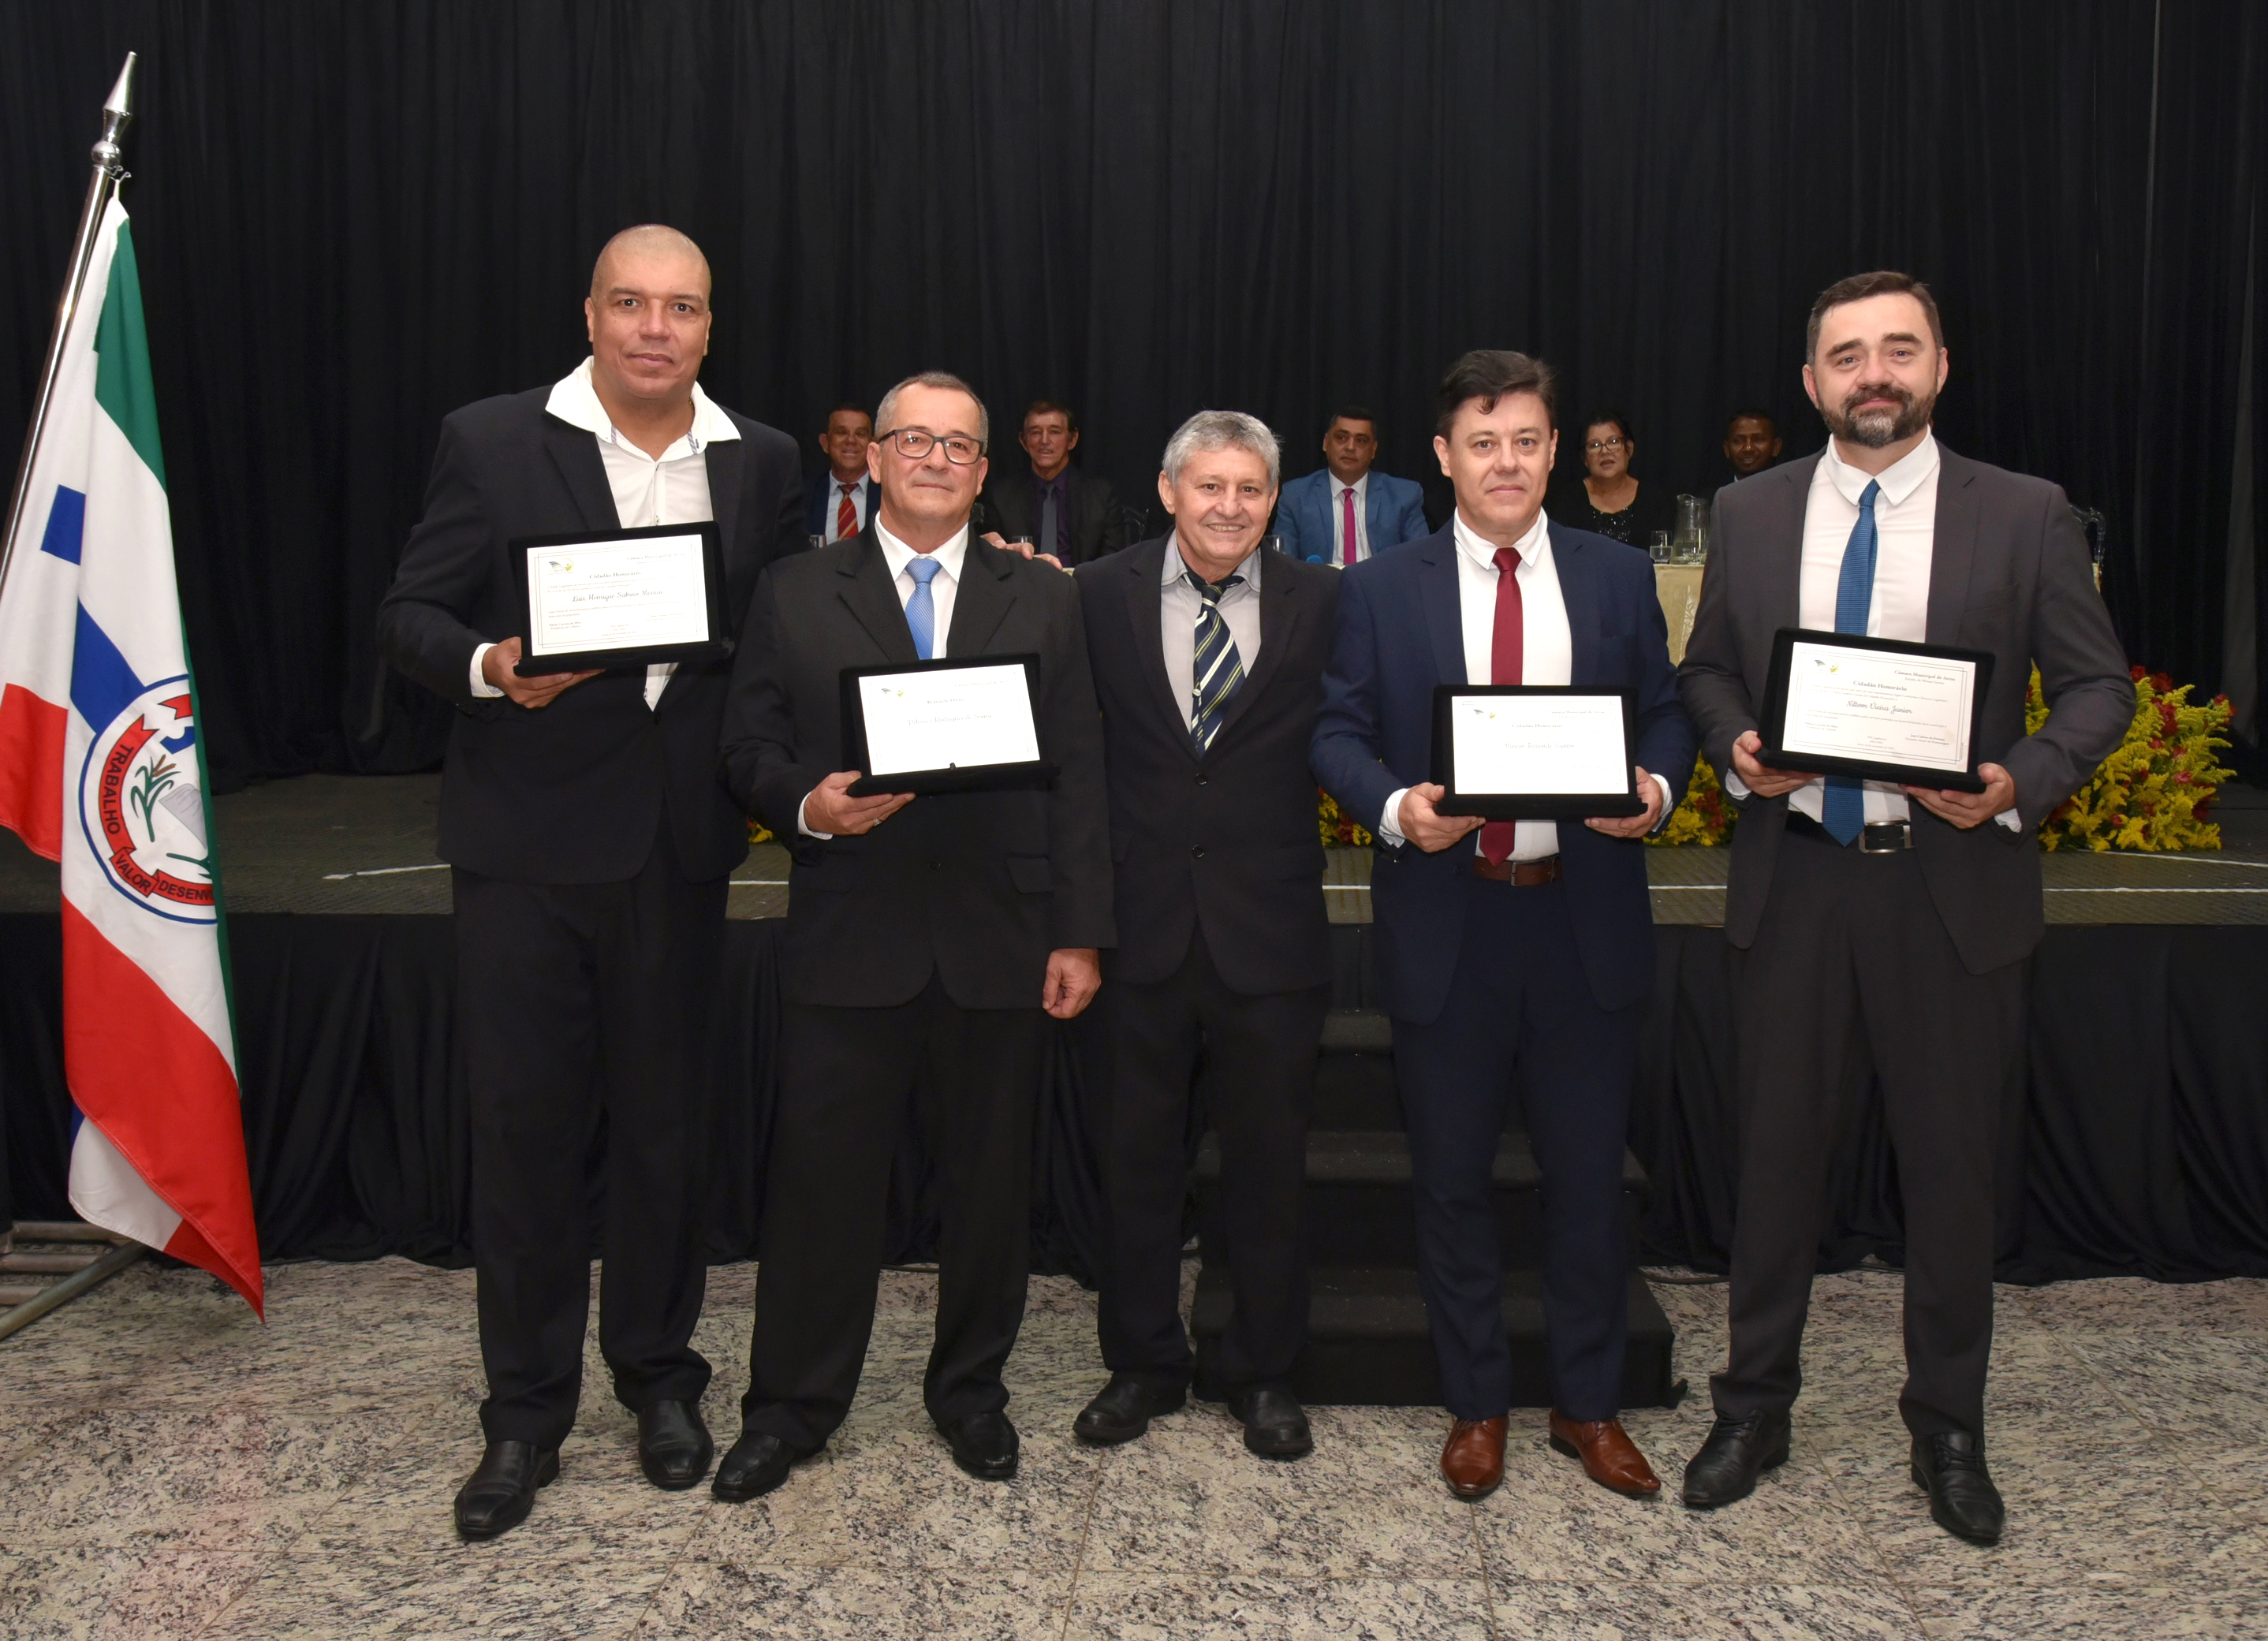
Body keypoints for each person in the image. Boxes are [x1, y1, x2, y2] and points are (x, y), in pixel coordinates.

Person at [1677, 271, 2131, 1544]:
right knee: (1774, 1168)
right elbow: (1706, 669)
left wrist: (2018, 781)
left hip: (1951, 892)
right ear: (1811, 381)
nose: (1872, 374)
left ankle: (1948, 1428)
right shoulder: (1752, 509)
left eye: (1897, 350)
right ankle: (1753, 1407)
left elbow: (2097, 690)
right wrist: (1738, 747)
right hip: (1800, 880)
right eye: (1846, 355)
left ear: (1938, 365)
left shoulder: (2027, 512)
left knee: (1952, 1178)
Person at [375, 225, 804, 1540]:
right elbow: (409, 614)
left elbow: (786, 633)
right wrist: (490, 667)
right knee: (527, 1137)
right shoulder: (493, 438)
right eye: (631, 303)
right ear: (591, 314)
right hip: (526, 849)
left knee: (667, 1134)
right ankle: (524, 1412)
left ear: (711, 326)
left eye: (682, 307)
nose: (655, 329)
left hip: (677, 848)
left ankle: (660, 1378)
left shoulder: (761, 458)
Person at [712, 371, 1112, 1501]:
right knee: (820, 1188)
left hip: (1002, 937)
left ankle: (971, 1393)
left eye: (959, 445)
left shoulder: (1045, 596)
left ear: (985, 473)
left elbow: (1082, 774)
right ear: (874, 457)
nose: (937, 459)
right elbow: (745, 745)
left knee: (990, 1188)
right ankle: (790, 1407)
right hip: (852, 932)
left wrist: (1080, 933)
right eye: (915, 440)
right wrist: (806, 805)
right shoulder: (794, 588)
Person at [1311, 350, 1694, 1503]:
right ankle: (1475, 1400)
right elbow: (1337, 732)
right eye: (1483, 443)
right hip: (1451, 921)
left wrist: (1655, 789)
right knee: (1450, 1180)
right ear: (1443, 456)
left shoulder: (1615, 577)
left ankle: (1587, 1404)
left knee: (1585, 1180)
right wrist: (1396, 808)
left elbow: (1666, 714)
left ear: (1554, 449)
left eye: (1526, 440)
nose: (1507, 462)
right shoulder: (1382, 587)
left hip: (1582, 920)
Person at [1072, 412, 1340, 1460]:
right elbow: (1075, 762)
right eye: (1209, 486)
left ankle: (1260, 1369)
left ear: (1274, 499)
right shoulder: (1095, 593)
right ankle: (1141, 1363)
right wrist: (1077, 925)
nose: (1229, 507)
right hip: (1136, 930)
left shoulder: (1326, 599)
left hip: (1269, 932)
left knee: (1267, 1168)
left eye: (1250, 488)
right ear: (1168, 489)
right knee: (1135, 1161)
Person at [1273, 407, 1431, 565]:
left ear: (1373, 450)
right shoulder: (1296, 496)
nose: (1350, 447)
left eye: (1361, 440)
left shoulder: (1404, 496)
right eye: (1341, 438)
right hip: (1320, 580)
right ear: (1326, 443)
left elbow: (1420, 559)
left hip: (1382, 580)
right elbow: (1283, 564)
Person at [980, 398, 1125, 565]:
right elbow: (993, 563)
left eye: (1054, 432)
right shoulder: (1001, 498)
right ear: (1024, 441)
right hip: (1023, 581)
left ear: (1072, 439)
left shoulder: (1101, 497)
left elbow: (1113, 564)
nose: (1044, 441)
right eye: (1035, 432)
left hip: (1084, 581)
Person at [1551, 412, 1677, 547]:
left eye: (1613, 442)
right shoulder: (1570, 501)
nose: (1605, 451)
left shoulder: (1654, 501)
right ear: (1585, 458)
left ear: (1629, 449)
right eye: (1594, 445)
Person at [801, 401, 878, 541]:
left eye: (860, 434)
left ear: (872, 446)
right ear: (825, 443)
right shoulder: (804, 496)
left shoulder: (890, 496)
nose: (851, 440)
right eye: (842, 432)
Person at [1723, 409, 1783, 482]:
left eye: (1758, 440)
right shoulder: (1717, 489)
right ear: (1727, 449)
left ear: (1776, 447)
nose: (1748, 448)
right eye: (1739, 441)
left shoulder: (1792, 488)